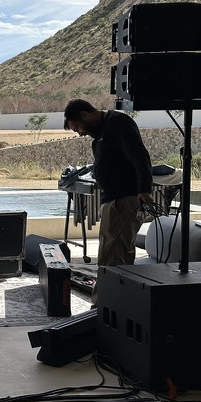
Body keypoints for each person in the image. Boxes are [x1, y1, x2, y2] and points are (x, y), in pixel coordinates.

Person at [63, 99, 154, 302]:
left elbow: (139, 155)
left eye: (78, 126)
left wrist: (144, 188)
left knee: (109, 257)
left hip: (123, 200)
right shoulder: (103, 132)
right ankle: (124, 305)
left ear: (85, 115)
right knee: (121, 255)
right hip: (115, 199)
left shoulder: (117, 123)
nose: (79, 133)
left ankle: (101, 309)